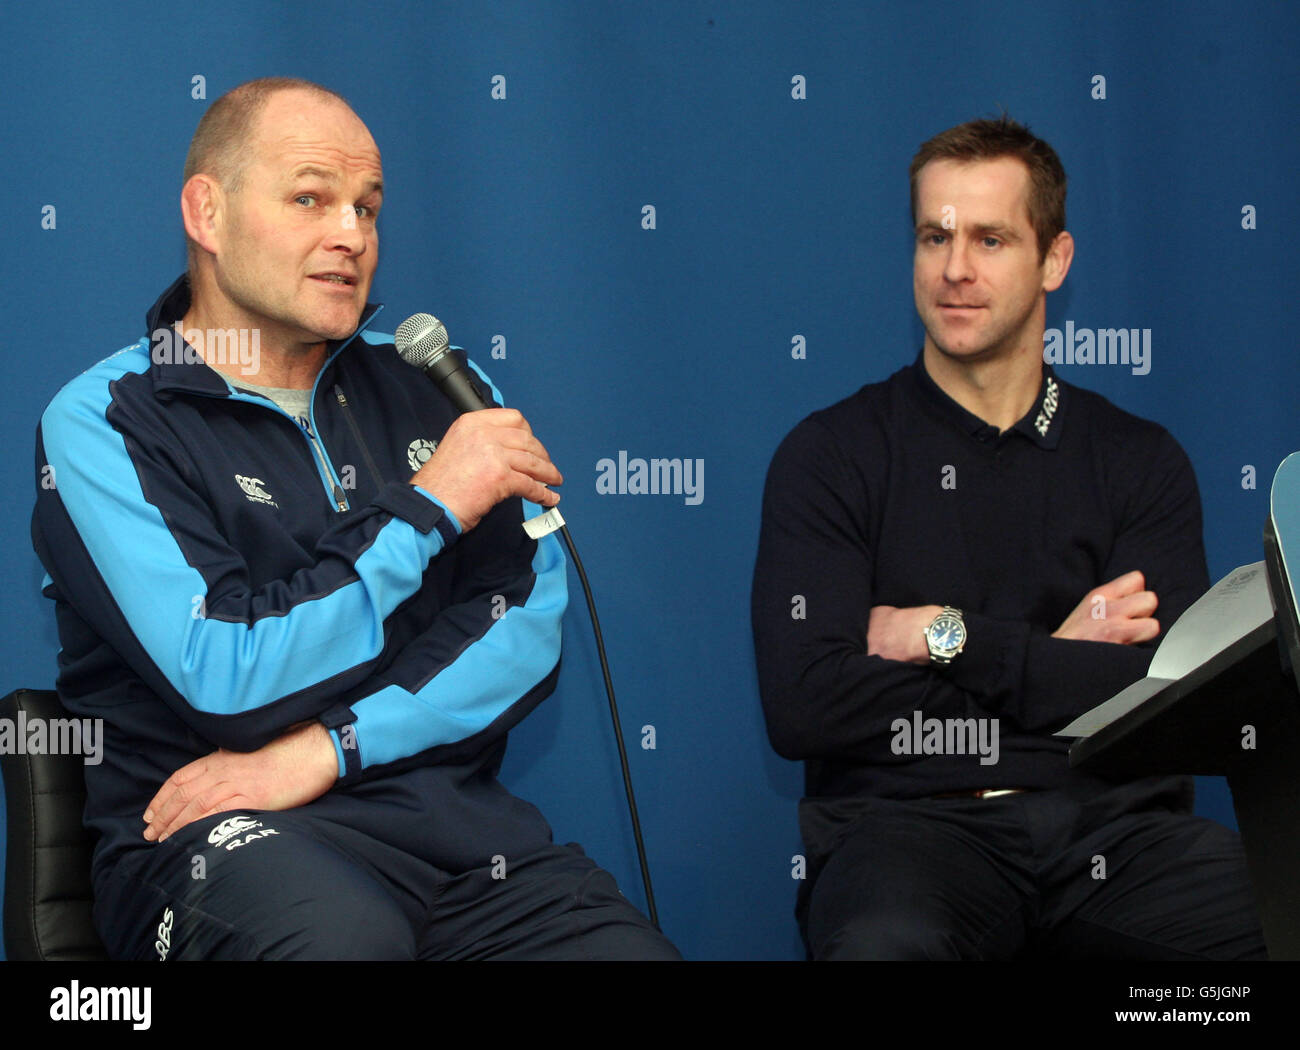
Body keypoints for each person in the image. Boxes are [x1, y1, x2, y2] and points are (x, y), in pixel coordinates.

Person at [32, 76, 678, 961]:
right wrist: (428, 510)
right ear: (206, 213)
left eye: (368, 209)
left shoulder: (441, 385)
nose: (351, 235)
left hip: (449, 833)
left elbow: (523, 622)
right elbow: (224, 673)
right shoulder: (103, 419)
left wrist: (330, 749)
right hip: (216, 835)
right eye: (311, 198)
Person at [750, 115, 1266, 960]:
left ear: (1054, 259)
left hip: (1117, 837)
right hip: (907, 837)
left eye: (990, 239)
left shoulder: (1140, 461)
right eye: (934, 236)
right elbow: (806, 704)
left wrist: (943, 635)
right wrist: (1061, 665)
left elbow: (1163, 696)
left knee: (1267, 923)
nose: (956, 268)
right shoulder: (830, 455)